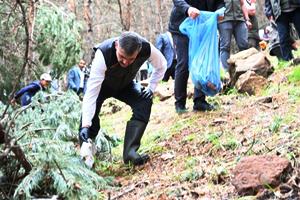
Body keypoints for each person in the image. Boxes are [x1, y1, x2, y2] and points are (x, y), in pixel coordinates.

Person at [79, 32, 167, 166]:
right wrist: (85, 125)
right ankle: (87, 160)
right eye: (121, 56)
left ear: (138, 52)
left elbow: (162, 65)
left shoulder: (146, 48)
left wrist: (151, 88)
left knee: (144, 100)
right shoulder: (103, 54)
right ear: (116, 46)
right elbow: (91, 93)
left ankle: (130, 153)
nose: (125, 62)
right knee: (90, 123)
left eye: (131, 59)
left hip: (125, 85)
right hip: (101, 87)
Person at [169, 0, 224, 114]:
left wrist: (221, 11)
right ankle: (180, 103)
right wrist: (188, 9)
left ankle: (199, 101)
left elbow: (220, 2)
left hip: (202, 26)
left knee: (202, 62)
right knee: (184, 62)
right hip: (181, 25)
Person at [218, 0, 252, 71]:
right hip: (224, 20)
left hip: (240, 20)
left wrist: (247, 19)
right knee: (225, 47)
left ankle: (246, 68)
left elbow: (243, 4)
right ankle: (226, 71)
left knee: (244, 45)